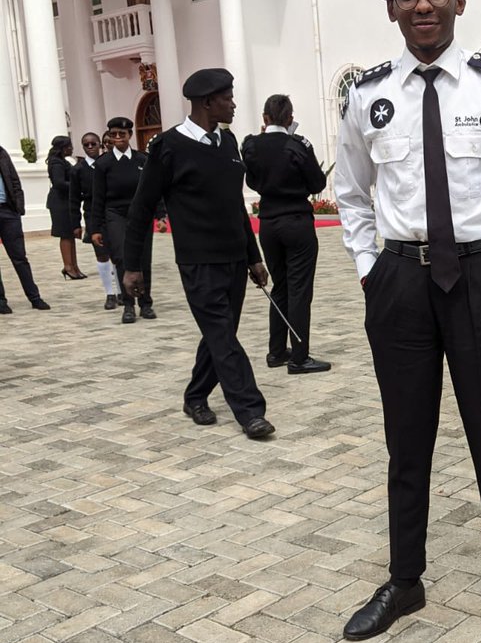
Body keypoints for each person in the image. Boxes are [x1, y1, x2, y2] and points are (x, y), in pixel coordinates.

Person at [335, 0, 481, 643]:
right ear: (392, 9)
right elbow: (352, 192)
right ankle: (405, 582)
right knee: (406, 445)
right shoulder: (368, 95)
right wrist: (370, 269)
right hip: (400, 285)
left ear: (459, 1)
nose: (422, 4)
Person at [122, 68, 274, 440]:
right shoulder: (168, 147)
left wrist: (254, 257)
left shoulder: (228, 142)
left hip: (235, 259)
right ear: (208, 102)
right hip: (198, 261)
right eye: (228, 98)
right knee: (223, 336)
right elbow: (141, 209)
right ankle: (250, 411)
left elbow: (235, 206)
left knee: (219, 334)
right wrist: (131, 267)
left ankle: (195, 396)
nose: (234, 104)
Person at [241, 94, 331, 374]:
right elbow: (318, 181)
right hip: (296, 221)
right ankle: (300, 356)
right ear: (290, 118)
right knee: (300, 290)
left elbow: (252, 180)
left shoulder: (252, 145)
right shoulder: (299, 144)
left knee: (280, 286)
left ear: (264, 118)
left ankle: (277, 350)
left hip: (268, 222)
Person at [90, 118, 156, 325]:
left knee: (143, 259)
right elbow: (97, 198)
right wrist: (95, 228)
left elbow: (153, 190)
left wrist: (160, 214)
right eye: (113, 134)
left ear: (130, 135)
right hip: (115, 214)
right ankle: (128, 304)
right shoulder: (103, 164)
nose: (117, 138)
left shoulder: (142, 160)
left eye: (122, 134)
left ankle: (145, 302)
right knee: (121, 258)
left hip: (141, 214)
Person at [70, 131, 120, 311]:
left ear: (100, 144)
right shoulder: (78, 170)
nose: (90, 147)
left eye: (93, 144)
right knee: (101, 253)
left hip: (112, 212)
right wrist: (75, 223)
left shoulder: (108, 163)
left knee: (117, 254)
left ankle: (121, 291)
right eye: (86, 145)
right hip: (92, 214)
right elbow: (74, 198)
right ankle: (109, 294)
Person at [0, 143, 50, 313]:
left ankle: (34, 297)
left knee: (19, 257)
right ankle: (1, 301)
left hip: (8, 211)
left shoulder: (1, 153)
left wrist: (18, 207)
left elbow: (14, 180)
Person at [46, 136, 86, 279]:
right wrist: (76, 187)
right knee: (65, 234)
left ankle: (74, 265)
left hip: (66, 201)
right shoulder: (56, 163)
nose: (71, 148)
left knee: (70, 234)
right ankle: (68, 266)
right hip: (59, 202)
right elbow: (59, 183)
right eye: (69, 146)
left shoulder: (62, 161)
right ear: (63, 148)